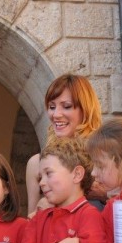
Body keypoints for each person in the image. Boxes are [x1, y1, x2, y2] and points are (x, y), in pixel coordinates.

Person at [25, 74, 103, 215]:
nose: (56, 114)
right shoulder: (36, 163)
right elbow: (31, 220)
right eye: (52, 107)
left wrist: (104, 195)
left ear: (85, 109)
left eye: (66, 106)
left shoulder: (103, 156)